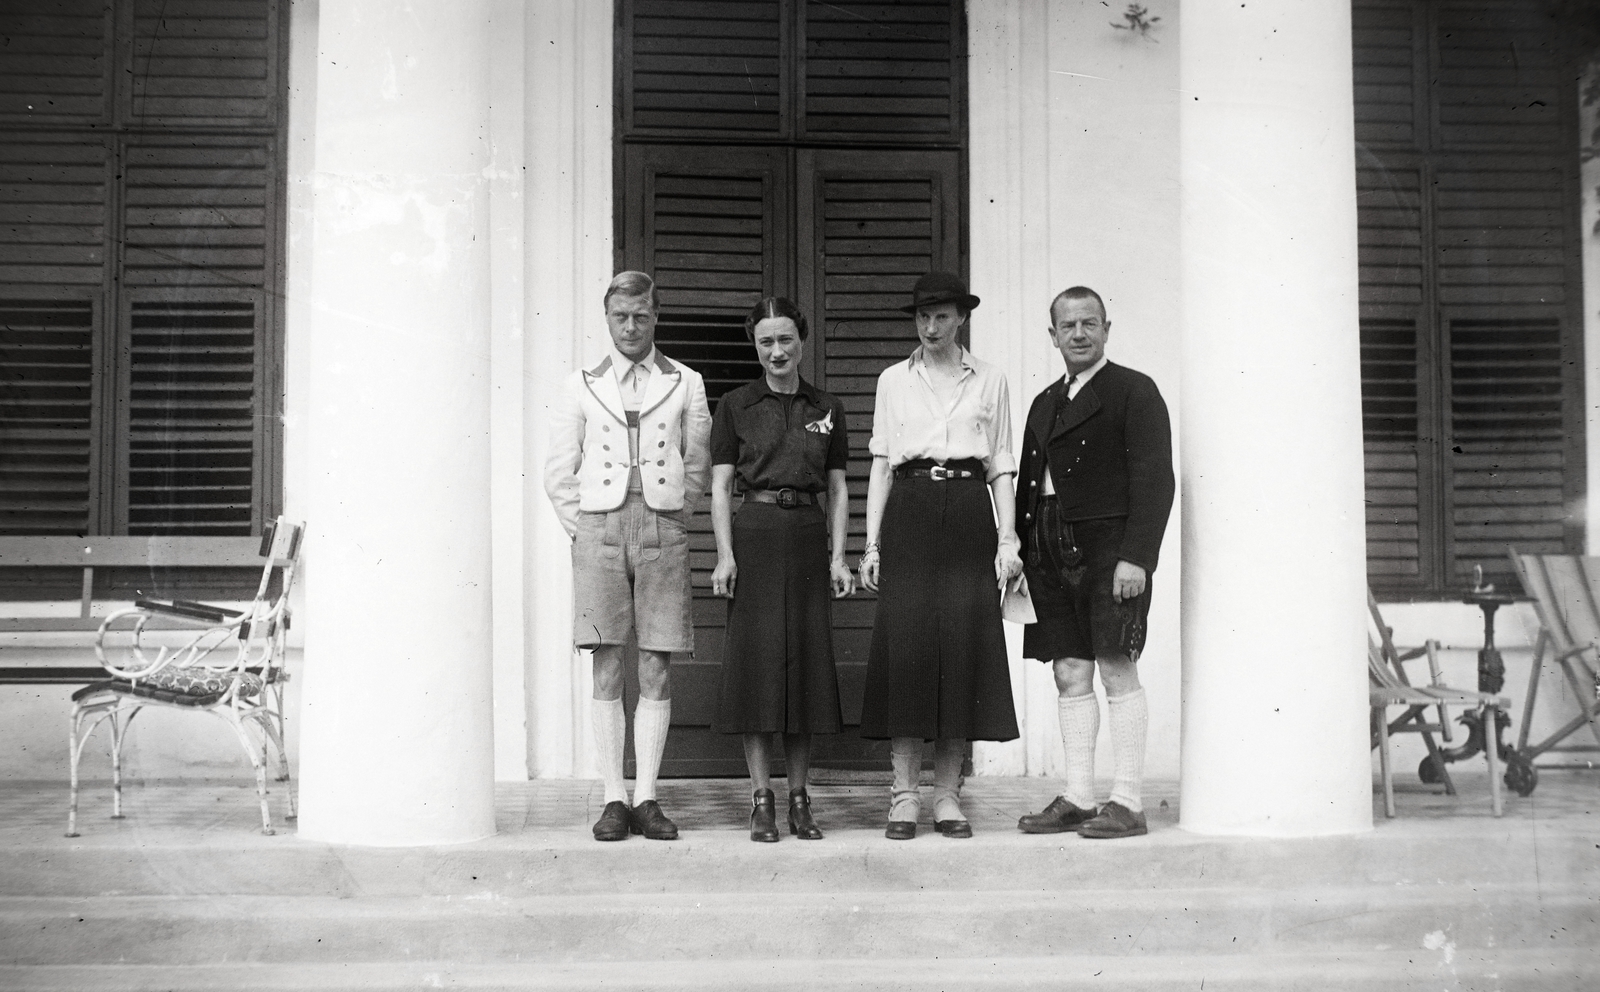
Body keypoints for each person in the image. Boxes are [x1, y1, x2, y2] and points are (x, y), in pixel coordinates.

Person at [544, 271, 712, 842]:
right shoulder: (581, 385)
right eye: (621, 317)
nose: (632, 327)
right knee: (607, 658)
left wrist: (670, 514)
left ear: (655, 316)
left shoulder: (686, 381)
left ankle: (648, 797)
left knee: (658, 660)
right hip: (600, 530)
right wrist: (586, 529)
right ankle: (614, 795)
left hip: (662, 528)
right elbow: (558, 471)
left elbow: (697, 464)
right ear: (608, 318)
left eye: (642, 316)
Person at [858, 271, 1023, 840]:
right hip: (910, 508)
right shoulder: (891, 381)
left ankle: (949, 795)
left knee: (962, 650)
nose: (932, 327)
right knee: (907, 650)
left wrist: (1008, 538)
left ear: (961, 319)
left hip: (969, 513)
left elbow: (1000, 463)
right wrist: (872, 542)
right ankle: (904, 796)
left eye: (943, 316)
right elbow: (881, 463)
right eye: (924, 317)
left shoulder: (991, 380)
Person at [1014, 286, 1174, 840]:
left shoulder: (1134, 390)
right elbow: (1028, 487)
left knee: (1115, 663)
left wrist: (1137, 557)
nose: (1079, 334)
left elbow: (1156, 480)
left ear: (1107, 329)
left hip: (1111, 548)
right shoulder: (1043, 402)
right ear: (1052, 334)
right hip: (1049, 548)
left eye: (1089, 324)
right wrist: (1019, 548)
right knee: (1069, 671)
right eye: (1068, 325)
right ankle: (1080, 797)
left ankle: (1127, 801)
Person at [709, 298, 855, 842]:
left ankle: (799, 798)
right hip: (756, 533)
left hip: (805, 537)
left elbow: (839, 488)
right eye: (766, 341)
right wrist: (726, 554)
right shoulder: (735, 405)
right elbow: (721, 487)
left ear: (802, 341)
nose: (777, 351)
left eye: (786, 339)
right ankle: (762, 799)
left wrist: (839, 556)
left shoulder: (828, 406)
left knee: (805, 668)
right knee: (757, 669)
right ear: (756, 345)